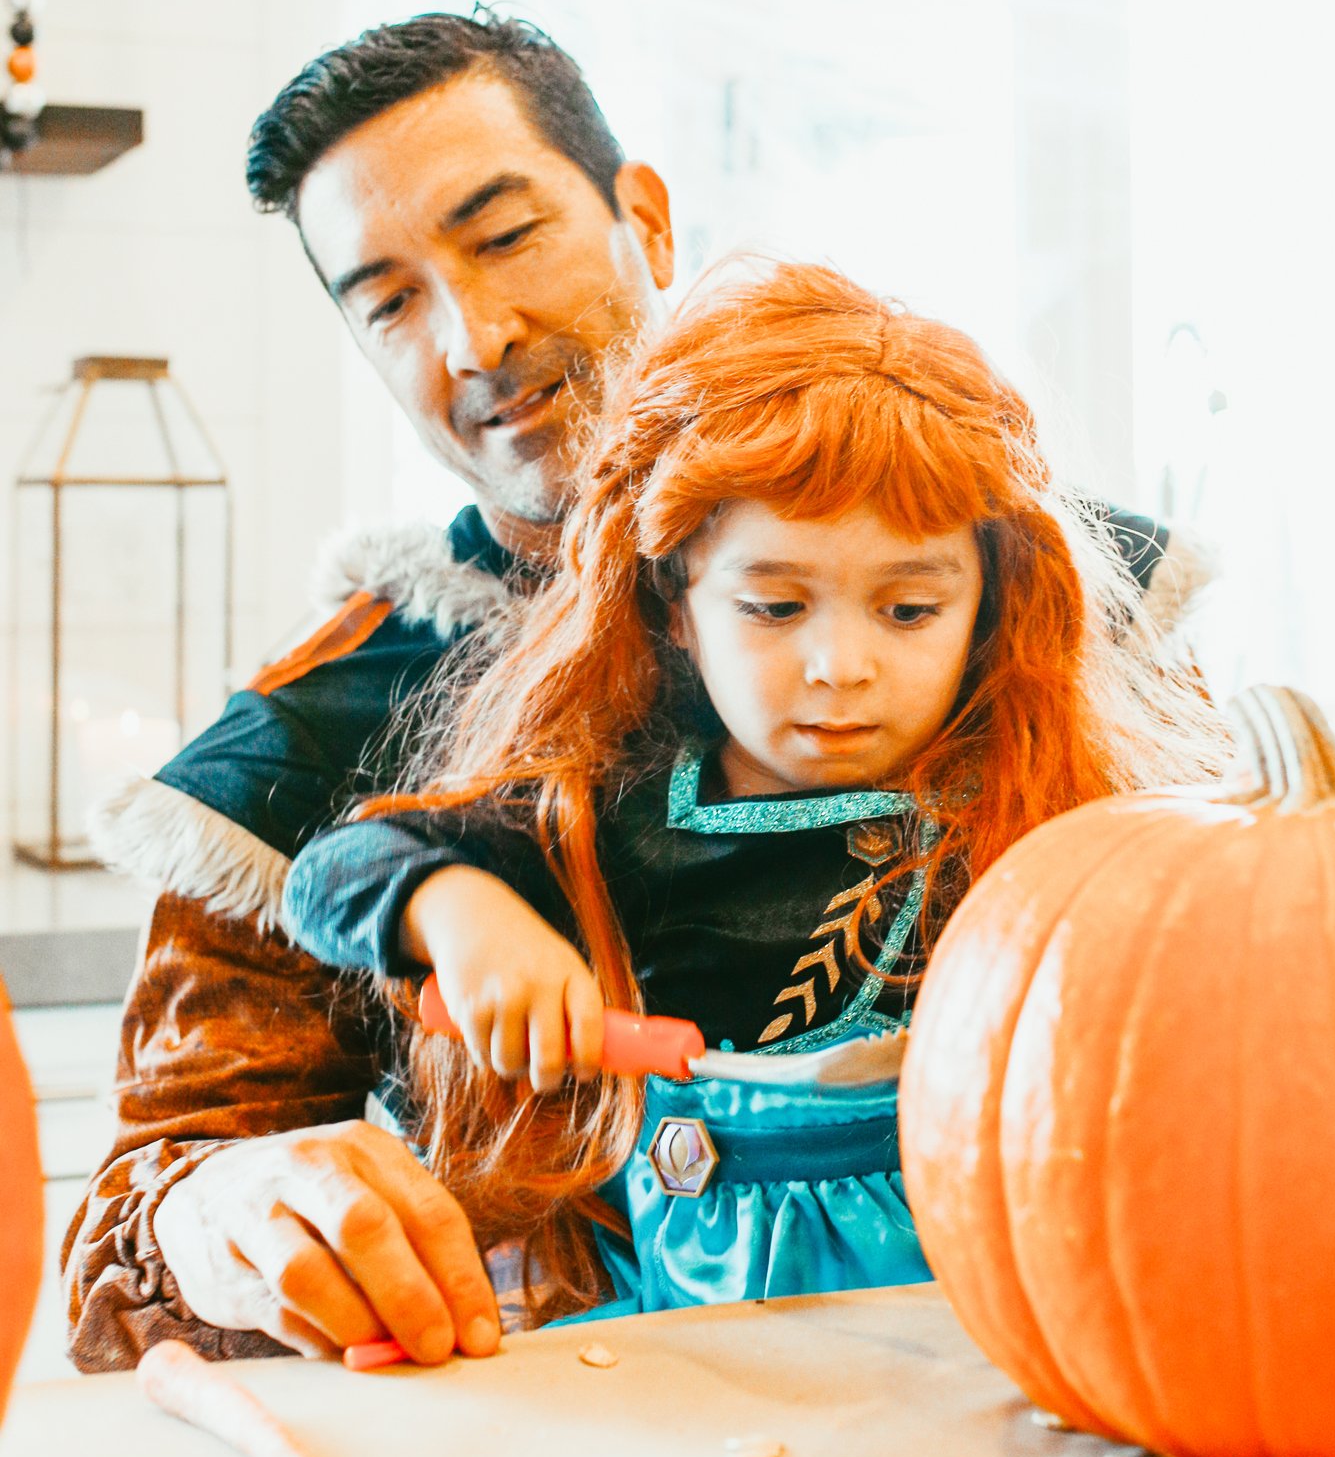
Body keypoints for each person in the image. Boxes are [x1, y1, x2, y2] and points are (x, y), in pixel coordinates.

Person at [64, 9, 1201, 1371]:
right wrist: (224, 1210)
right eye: (388, 300)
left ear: (641, 221)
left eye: (504, 236)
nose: (476, 335)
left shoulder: (1059, 599)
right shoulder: (301, 747)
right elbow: (132, 1228)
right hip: (582, 1451)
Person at [281, 262, 1225, 1323]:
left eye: (908, 610)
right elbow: (332, 877)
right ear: (673, 604)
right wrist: (462, 914)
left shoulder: (1036, 810)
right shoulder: (606, 810)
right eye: (774, 606)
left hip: (977, 1328)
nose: (839, 665)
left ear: (988, 607)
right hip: (677, 1340)